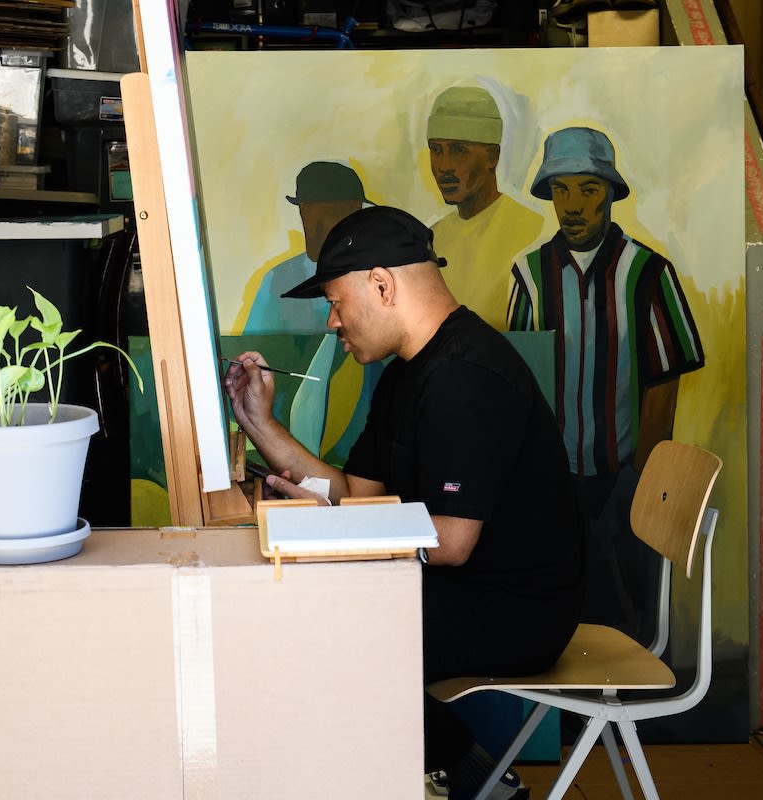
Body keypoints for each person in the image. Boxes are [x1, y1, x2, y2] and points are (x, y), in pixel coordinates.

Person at [224, 205, 584, 800]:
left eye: (337, 303)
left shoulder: (465, 376)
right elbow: (358, 494)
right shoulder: (407, 372)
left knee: (327, 633)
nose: (334, 324)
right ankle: (472, 775)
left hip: (518, 611)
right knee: (318, 615)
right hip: (468, 589)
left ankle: (471, 779)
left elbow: (450, 540)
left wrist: (336, 530)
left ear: (382, 284)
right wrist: (260, 423)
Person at [508, 126, 704, 641]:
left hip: (624, 479)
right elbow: (523, 378)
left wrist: (638, 476)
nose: (572, 205)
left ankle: (624, 710)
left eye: (588, 190)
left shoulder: (646, 272)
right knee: (560, 602)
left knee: (625, 608)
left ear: (611, 195)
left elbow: (665, 382)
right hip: (554, 478)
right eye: (561, 190)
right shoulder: (529, 275)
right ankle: (572, 717)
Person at [425, 85, 545, 328]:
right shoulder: (431, 239)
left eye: (459, 150)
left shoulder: (535, 231)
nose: (444, 165)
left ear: (493, 156)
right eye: (436, 150)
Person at [241, 161, 372, 334]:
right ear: (305, 212)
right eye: (334, 211)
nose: (348, 221)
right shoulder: (277, 280)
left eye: (354, 210)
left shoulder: (377, 275)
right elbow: (254, 348)